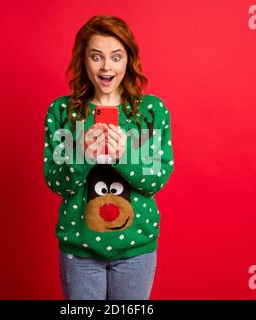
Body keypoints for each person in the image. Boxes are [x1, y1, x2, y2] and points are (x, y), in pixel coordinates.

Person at [43, 15, 174, 300]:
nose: (106, 67)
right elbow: (57, 184)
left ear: (128, 60)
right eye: (96, 56)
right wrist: (82, 155)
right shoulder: (63, 113)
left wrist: (125, 155)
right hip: (80, 251)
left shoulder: (149, 113)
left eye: (116, 57)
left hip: (136, 252)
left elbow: (155, 181)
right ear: (83, 60)